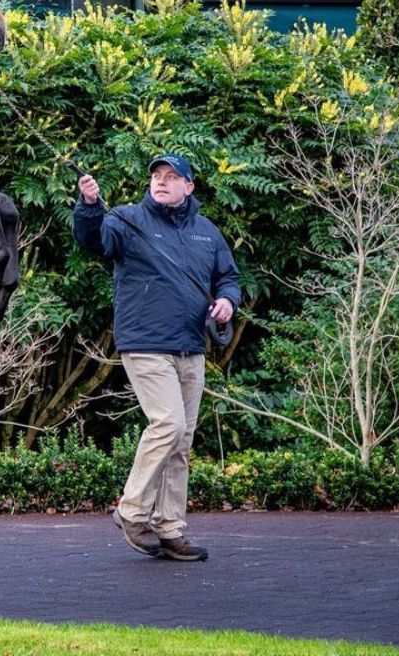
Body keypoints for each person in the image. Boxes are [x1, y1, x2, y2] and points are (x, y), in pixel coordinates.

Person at [72, 153, 240, 561]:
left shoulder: (206, 232)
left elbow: (229, 277)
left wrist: (227, 302)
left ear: (189, 187)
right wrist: (90, 206)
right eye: (156, 176)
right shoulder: (127, 219)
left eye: (171, 177)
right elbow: (93, 241)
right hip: (145, 344)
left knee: (181, 441)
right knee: (168, 424)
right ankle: (131, 511)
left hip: (191, 347)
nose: (161, 182)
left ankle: (170, 529)